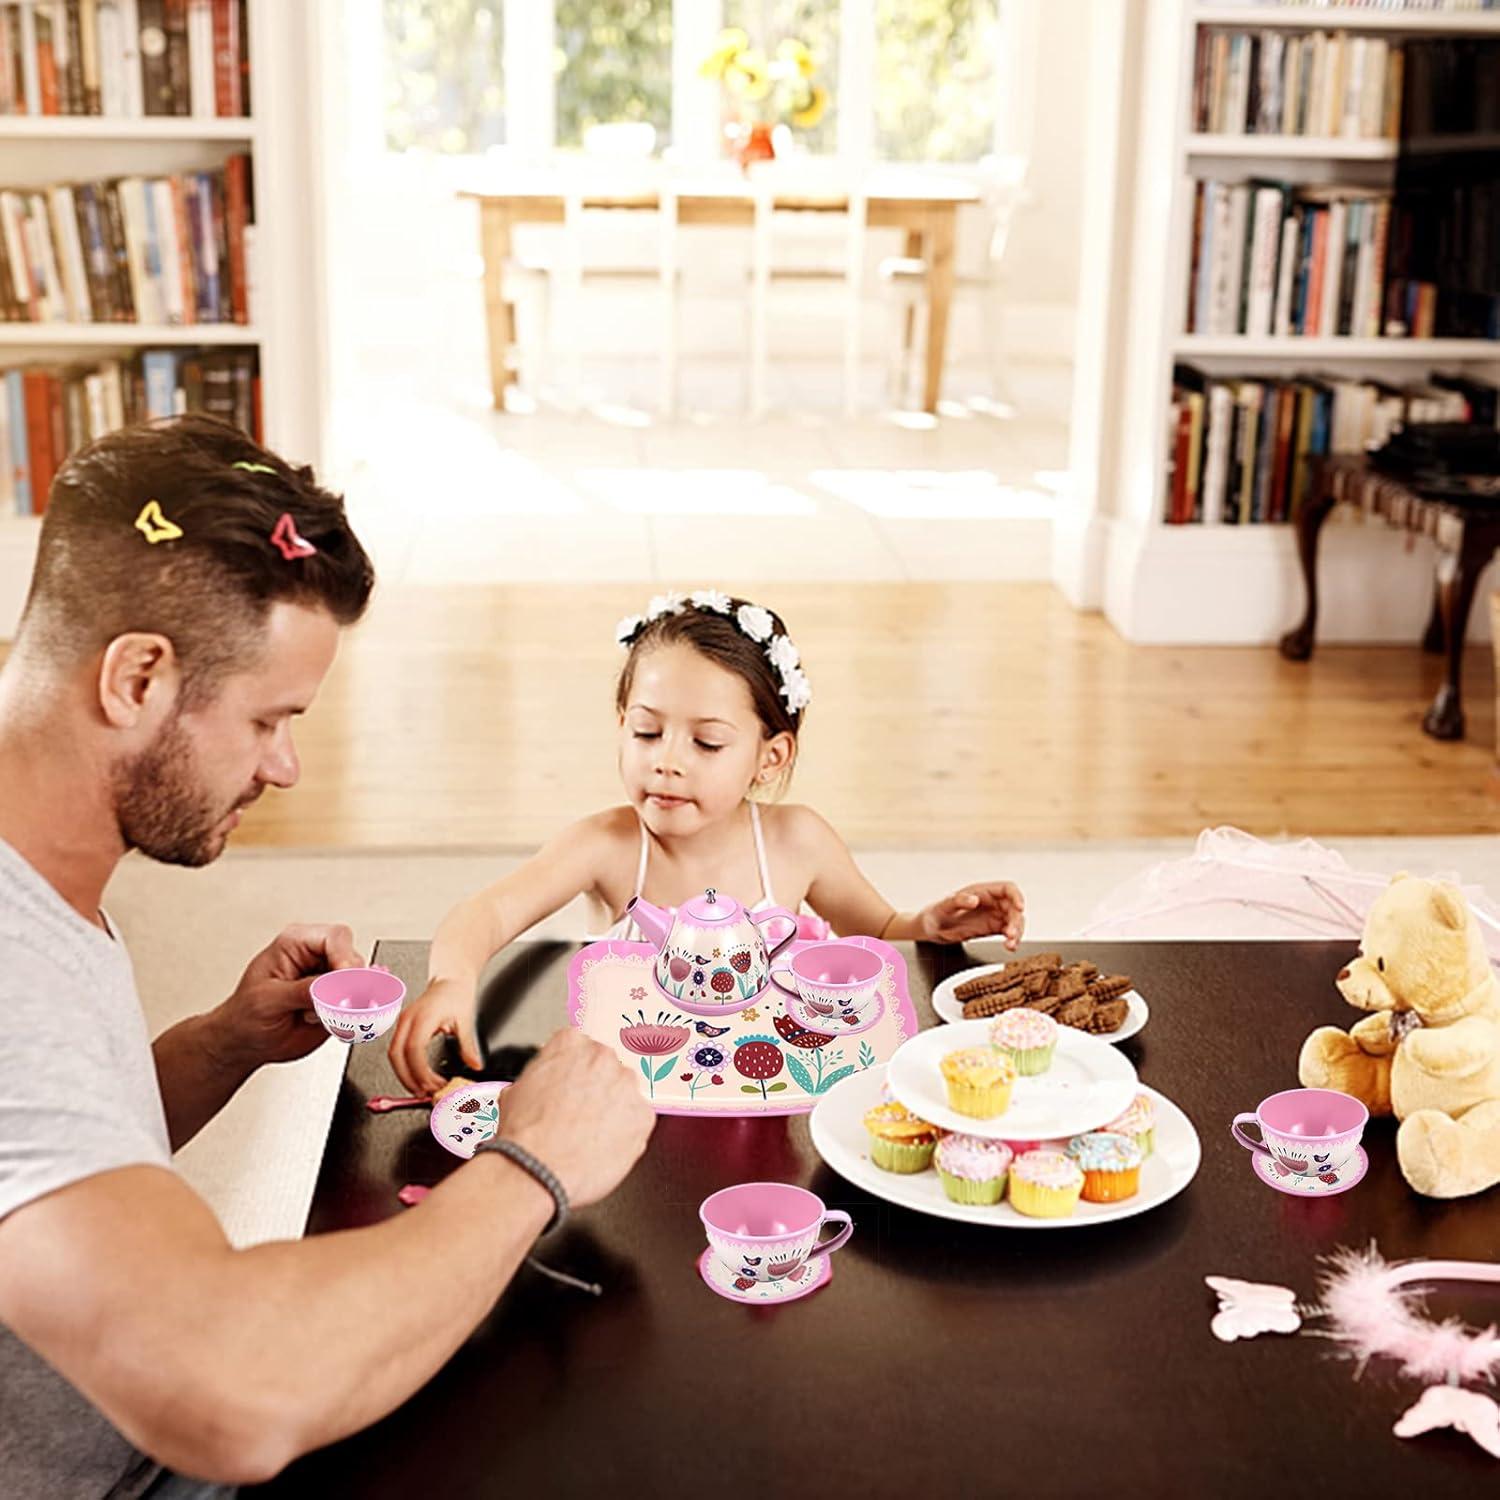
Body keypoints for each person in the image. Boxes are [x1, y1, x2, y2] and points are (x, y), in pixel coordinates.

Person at [0, 417, 655, 1497]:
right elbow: (231, 1398)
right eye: (269, 719)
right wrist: (533, 1165)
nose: (289, 766)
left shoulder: (41, 878)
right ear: (137, 678)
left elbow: (56, 1155)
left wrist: (220, 1044)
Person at [390, 590, 1027, 1095]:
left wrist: (928, 923)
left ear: (769, 757)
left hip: (773, 1089)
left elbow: (879, 931)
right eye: (646, 733)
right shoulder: (609, 845)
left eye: (707, 743)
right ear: (620, 726)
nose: (668, 762)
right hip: (636, 1098)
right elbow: (488, 911)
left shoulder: (797, 841)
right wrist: (452, 976)